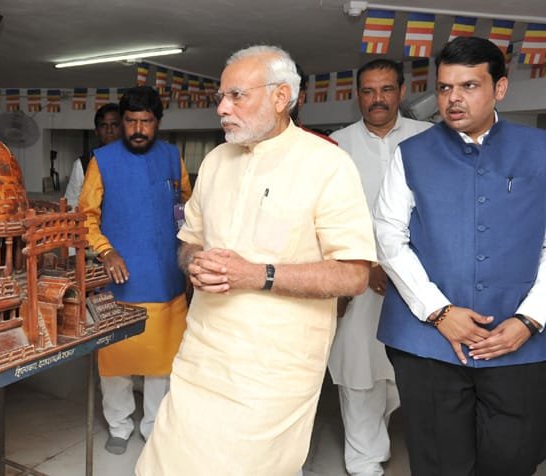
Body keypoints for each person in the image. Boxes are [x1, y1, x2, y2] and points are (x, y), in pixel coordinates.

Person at [136, 45, 376, 476]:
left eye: (236, 96)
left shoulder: (328, 165)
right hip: (202, 357)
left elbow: (354, 275)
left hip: (274, 370)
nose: (222, 109)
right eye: (220, 98)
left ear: (281, 97)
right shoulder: (214, 161)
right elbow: (188, 242)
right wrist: (193, 262)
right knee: (164, 465)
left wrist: (257, 274)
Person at [374, 36, 546, 476]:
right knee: (438, 462)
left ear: (499, 89)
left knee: (513, 456)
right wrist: (438, 311)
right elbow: (389, 237)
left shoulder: (539, 150)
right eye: (446, 87)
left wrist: (530, 320)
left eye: (469, 86)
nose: (453, 99)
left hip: (518, 339)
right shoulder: (410, 153)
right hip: (427, 340)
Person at [327, 59, 431, 476]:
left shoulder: (429, 139)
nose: (377, 99)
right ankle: (364, 459)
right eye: (368, 91)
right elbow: (326, 219)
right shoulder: (337, 145)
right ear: (358, 95)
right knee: (357, 368)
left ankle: (377, 437)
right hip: (358, 280)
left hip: (419, 281)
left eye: (386, 90)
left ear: (401, 92)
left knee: (402, 373)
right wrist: (364, 267)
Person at [78, 85, 191, 455]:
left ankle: (155, 426)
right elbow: (84, 219)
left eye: (146, 121)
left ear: (157, 122)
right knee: (115, 361)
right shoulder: (103, 161)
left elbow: (189, 211)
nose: (138, 129)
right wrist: (106, 252)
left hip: (166, 278)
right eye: (130, 121)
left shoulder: (173, 158)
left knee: (162, 362)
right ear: (122, 122)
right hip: (118, 281)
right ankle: (119, 425)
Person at [64, 103, 121, 209]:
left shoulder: (136, 160)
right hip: (92, 224)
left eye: (115, 125)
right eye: (104, 125)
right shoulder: (83, 163)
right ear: (96, 131)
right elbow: (71, 203)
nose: (109, 130)